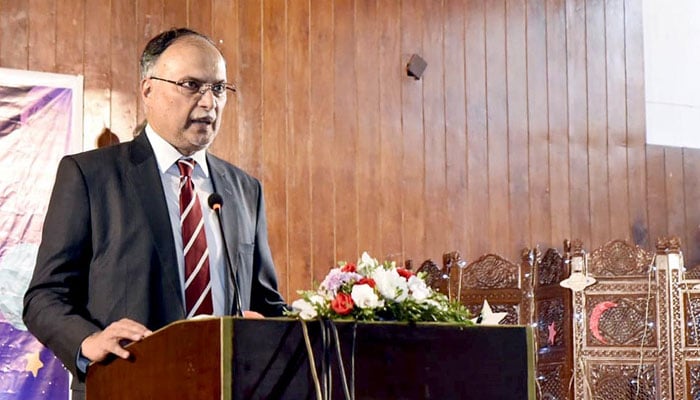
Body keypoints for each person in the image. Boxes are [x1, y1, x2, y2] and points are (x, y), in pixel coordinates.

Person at [22, 27, 287, 399]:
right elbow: (44, 296)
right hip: (126, 384)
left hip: (229, 387)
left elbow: (265, 301)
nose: (209, 103)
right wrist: (88, 341)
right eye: (192, 85)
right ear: (148, 89)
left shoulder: (245, 190)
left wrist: (292, 326)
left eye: (218, 88)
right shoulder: (90, 176)